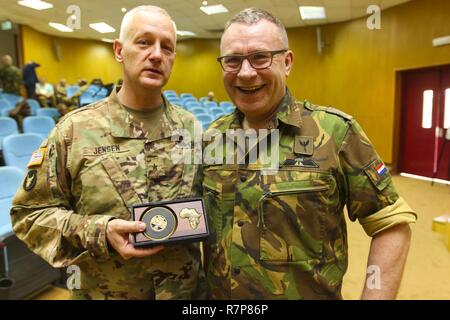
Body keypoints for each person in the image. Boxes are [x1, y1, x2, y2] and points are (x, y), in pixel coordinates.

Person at [202, 8, 417, 300]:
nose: (246, 72)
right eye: (232, 60)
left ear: (287, 62)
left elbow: (391, 223)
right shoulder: (211, 139)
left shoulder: (335, 132)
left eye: (260, 57)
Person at [11, 5, 202, 300]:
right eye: (143, 42)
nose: (156, 54)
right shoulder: (74, 130)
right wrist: (99, 230)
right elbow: (29, 214)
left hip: (185, 295)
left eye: (167, 47)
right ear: (119, 50)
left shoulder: (192, 129)